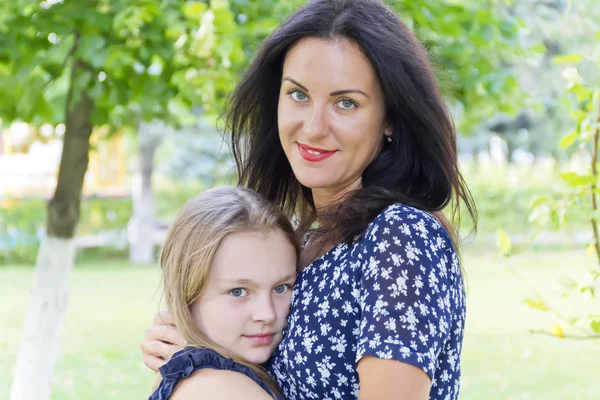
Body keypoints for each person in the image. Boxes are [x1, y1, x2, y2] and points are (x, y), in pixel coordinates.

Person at [141, 0, 477, 399]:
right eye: (298, 95)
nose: (314, 127)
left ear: (390, 119)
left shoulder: (400, 237)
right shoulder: (300, 241)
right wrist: (191, 346)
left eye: (346, 103)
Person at [148, 186, 300, 399]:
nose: (267, 314)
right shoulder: (217, 389)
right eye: (238, 291)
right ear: (187, 293)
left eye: (280, 288)